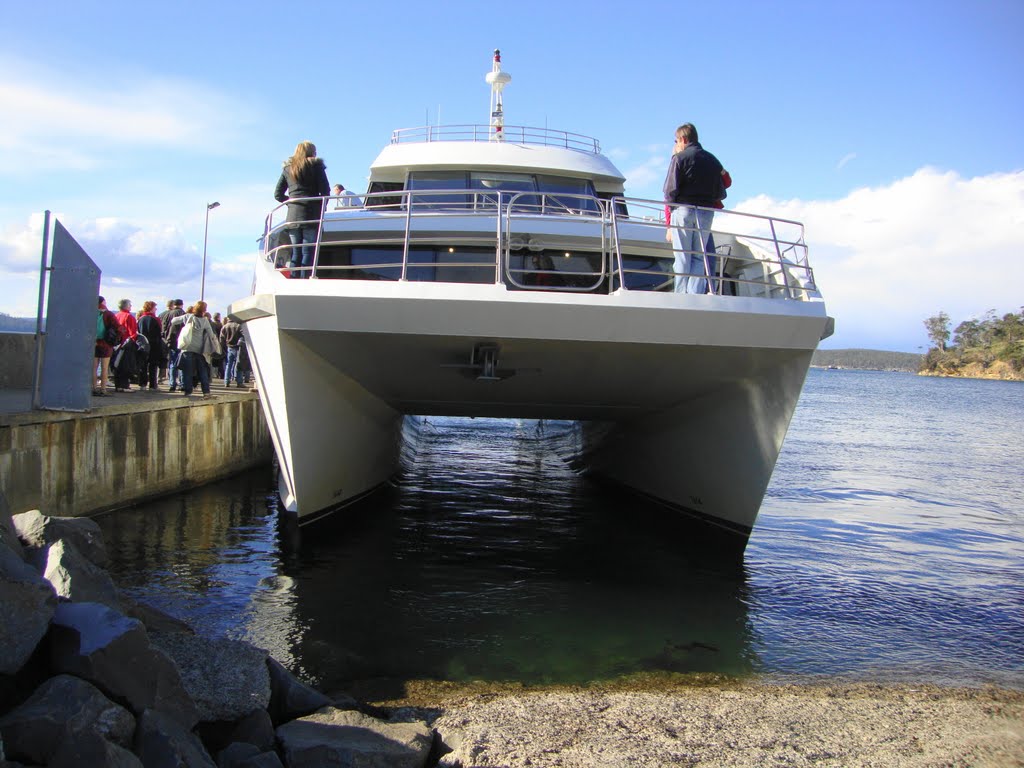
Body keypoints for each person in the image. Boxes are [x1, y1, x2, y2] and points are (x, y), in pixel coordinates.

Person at [663, 123, 726, 294]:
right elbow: (722, 190)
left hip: (683, 209)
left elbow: (669, 190)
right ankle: (695, 294)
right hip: (706, 212)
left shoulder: (680, 158)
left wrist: (670, 216)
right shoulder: (713, 160)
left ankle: (681, 294)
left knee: (683, 255)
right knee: (699, 256)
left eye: (677, 140)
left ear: (683, 139)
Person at [274, 141, 330, 278]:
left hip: (292, 216)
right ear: (312, 152)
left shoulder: (288, 168)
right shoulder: (316, 166)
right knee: (307, 252)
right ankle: (305, 280)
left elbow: (277, 194)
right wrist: (321, 206)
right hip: (311, 215)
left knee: (295, 251)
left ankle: (294, 279)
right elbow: (325, 191)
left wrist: (291, 203)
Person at [171, 300, 216, 399]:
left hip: (187, 347)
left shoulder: (188, 317)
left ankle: (188, 391)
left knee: (187, 371)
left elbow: (173, 321)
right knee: (202, 371)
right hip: (199, 350)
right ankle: (206, 392)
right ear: (204, 310)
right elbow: (211, 334)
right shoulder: (205, 321)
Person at [92, 296, 119, 396]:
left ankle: (94, 388)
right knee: (104, 368)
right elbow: (118, 327)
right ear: (103, 302)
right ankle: (103, 389)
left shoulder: (91, 312)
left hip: (94, 343)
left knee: (93, 368)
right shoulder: (108, 314)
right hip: (106, 344)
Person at [112, 299, 139, 391]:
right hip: (126, 344)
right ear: (126, 306)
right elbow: (133, 333)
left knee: (117, 364)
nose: (131, 307)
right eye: (130, 305)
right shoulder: (129, 317)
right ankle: (124, 385)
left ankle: (118, 385)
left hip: (116, 344)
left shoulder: (116, 316)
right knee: (126, 365)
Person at [137, 301, 163, 390]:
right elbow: (159, 333)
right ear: (151, 308)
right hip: (154, 344)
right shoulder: (156, 319)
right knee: (153, 365)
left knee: (143, 365)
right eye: (155, 307)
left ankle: (142, 384)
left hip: (143, 344)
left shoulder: (140, 319)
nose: (156, 309)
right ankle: (153, 385)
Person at [162, 299, 186, 391]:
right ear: (181, 305)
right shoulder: (183, 314)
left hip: (170, 341)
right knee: (181, 363)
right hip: (180, 341)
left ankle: (172, 383)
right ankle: (182, 384)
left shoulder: (167, 314)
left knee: (172, 363)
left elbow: (163, 328)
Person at [220, 314, 245, 387]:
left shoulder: (224, 326)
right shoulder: (238, 325)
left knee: (229, 364)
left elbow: (221, 338)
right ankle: (239, 382)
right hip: (238, 347)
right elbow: (244, 335)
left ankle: (226, 381)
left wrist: (222, 347)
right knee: (239, 365)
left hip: (229, 347)